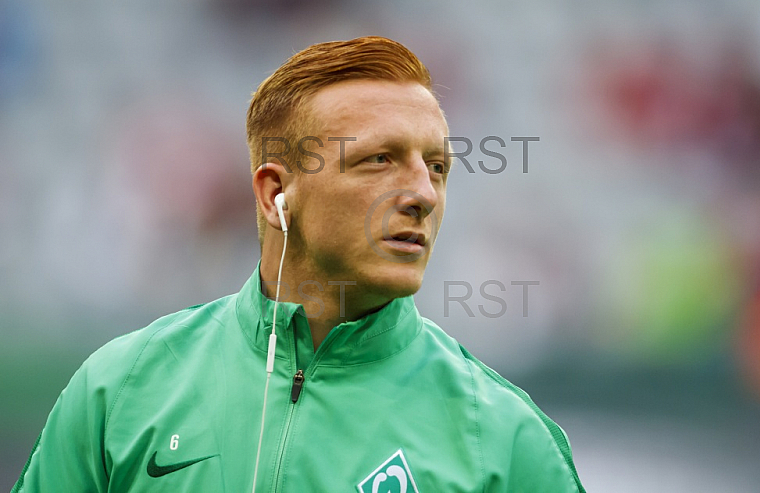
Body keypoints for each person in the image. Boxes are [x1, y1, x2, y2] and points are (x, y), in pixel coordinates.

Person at [13, 36, 585, 492]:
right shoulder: (121, 387)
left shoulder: (505, 439)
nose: (423, 194)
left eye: (436, 167)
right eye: (379, 159)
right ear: (274, 195)